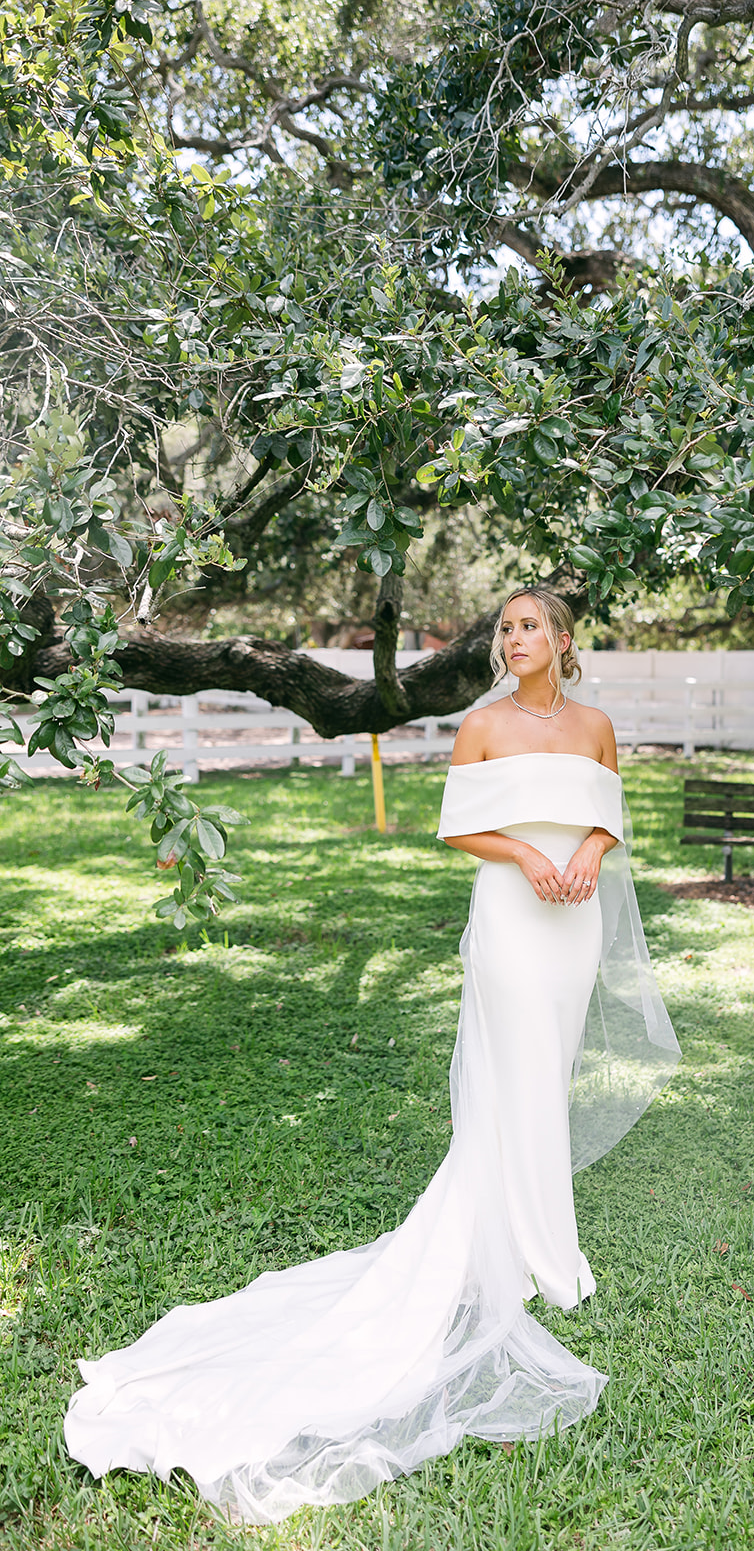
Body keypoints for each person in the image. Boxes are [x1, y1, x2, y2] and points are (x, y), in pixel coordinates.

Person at [63, 587, 679, 1525]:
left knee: (548, 1077)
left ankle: (552, 1246)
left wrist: (589, 853)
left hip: (575, 922)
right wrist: (529, 858)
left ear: (562, 639)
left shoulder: (594, 723)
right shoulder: (479, 725)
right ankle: (508, 1247)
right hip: (516, 916)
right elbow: (458, 828)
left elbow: (607, 813)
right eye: (504, 628)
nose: (514, 639)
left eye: (529, 626)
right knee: (511, 1072)